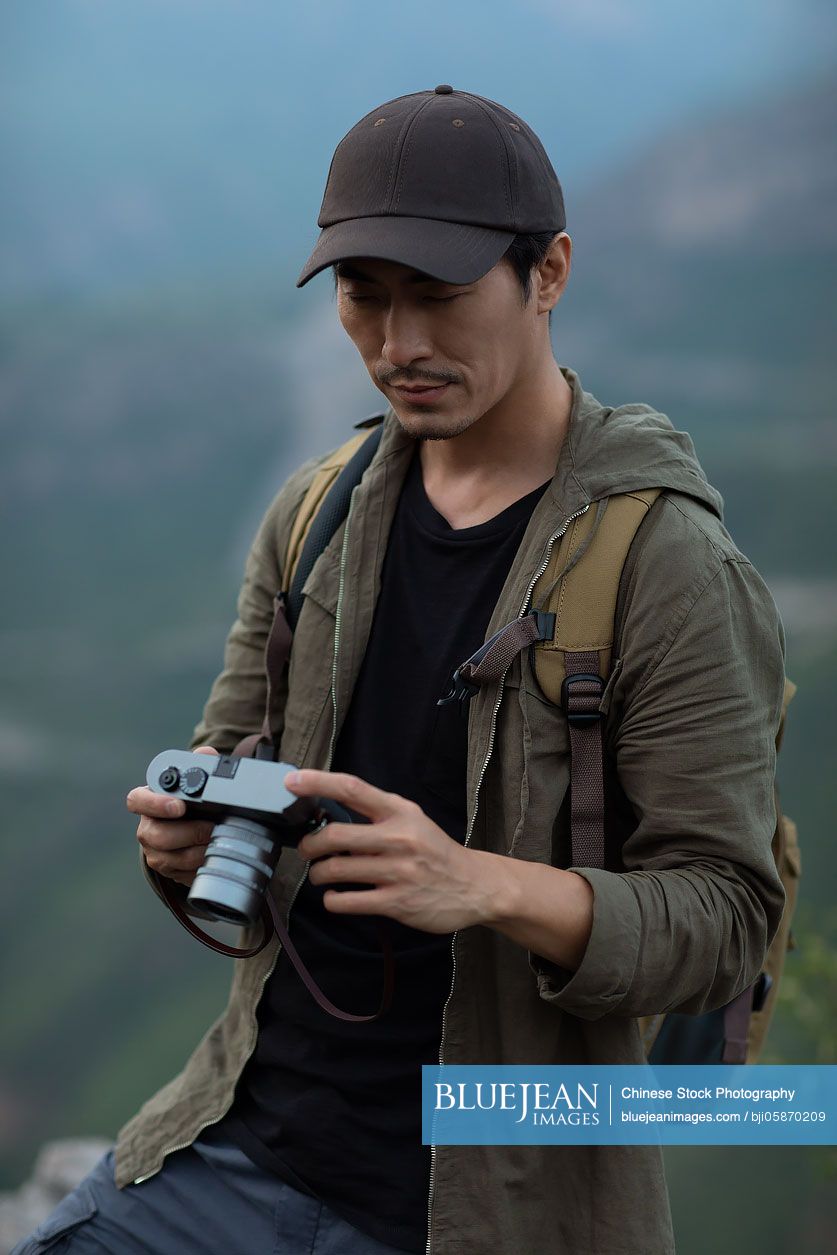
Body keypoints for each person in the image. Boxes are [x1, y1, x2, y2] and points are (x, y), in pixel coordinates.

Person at [15, 86, 786, 1255]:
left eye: (438, 295)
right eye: (363, 298)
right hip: (238, 1137)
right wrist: (184, 844)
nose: (399, 345)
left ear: (551, 273)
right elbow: (235, 767)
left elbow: (728, 917)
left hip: (494, 1201)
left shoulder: (667, 563)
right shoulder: (316, 515)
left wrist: (481, 883)